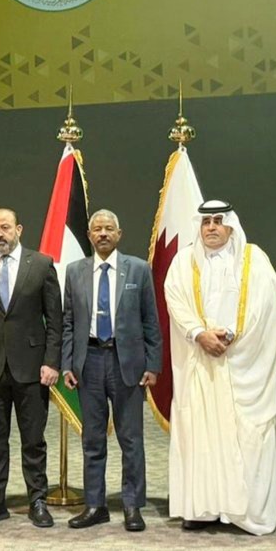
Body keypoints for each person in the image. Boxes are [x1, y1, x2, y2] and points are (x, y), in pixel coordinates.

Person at [164, 200, 276, 534]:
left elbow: (269, 306)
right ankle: (201, 508)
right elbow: (174, 299)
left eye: (219, 221)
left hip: (243, 364)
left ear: (231, 224)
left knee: (245, 435)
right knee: (199, 432)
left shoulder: (254, 260)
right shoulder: (183, 260)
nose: (212, 227)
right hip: (198, 363)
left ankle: (243, 511)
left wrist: (232, 336)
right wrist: (199, 333)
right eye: (206, 222)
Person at [0, 208, 61, 528]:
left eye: (4, 227)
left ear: (19, 228)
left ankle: (38, 500)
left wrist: (51, 361)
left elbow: (55, 320)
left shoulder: (41, 264)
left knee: (33, 439)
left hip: (32, 369)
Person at [61, 209, 161, 532]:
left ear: (119, 234)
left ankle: (132, 506)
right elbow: (67, 323)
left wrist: (153, 364)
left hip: (126, 362)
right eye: (97, 229)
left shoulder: (139, 269)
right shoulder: (75, 272)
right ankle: (95, 505)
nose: (103, 234)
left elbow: (151, 321)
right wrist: (66, 363)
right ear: (89, 236)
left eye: (109, 229)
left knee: (131, 438)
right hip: (88, 361)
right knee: (93, 439)